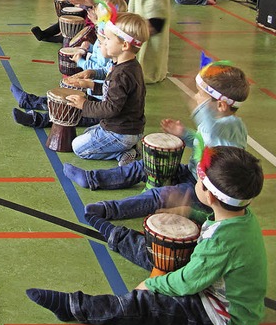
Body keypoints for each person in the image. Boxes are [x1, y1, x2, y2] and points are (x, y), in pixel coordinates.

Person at [28, 146, 267, 325]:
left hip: (221, 318)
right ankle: (115, 234)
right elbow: (207, 256)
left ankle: (75, 306)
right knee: (160, 248)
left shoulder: (222, 241)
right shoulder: (239, 216)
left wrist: (151, 284)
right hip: (213, 286)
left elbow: (187, 283)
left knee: (149, 306)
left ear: (210, 195)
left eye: (199, 179)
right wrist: (186, 212)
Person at [75, 60, 249, 222]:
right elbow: (204, 142)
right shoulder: (221, 124)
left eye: (201, 95)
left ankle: (110, 210)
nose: (196, 98)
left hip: (206, 192)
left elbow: (209, 127)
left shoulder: (229, 127)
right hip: (193, 174)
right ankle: (93, 178)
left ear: (221, 105)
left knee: (159, 195)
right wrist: (184, 133)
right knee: (143, 166)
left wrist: (198, 90)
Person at [18, 12, 149, 166]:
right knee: (87, 133)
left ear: (125, 45)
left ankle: (126, 151)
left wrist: (83, 105)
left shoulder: (122, 74)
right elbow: (116, 93)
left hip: (121, 132)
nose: (103, 43)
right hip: (128, 128)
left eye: (107, 39)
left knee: (78, 147)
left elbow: (110, 108)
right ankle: (129, 145)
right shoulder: (130, 66)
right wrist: (90, 85)